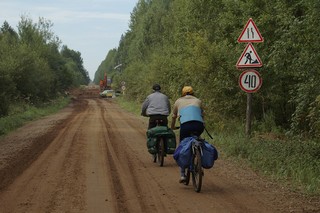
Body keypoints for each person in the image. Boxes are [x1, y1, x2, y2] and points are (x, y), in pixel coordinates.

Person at [171, 86, 204, 183]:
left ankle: (182, 174)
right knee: (198, 140)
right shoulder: (198, 101)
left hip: (185, 126)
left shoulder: (178, 101)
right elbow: (202, 115)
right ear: (193, 93)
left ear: (183, 93)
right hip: (198, 125)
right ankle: (199, 162)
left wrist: (172, 126)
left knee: (182, 145)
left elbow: (174, 116)